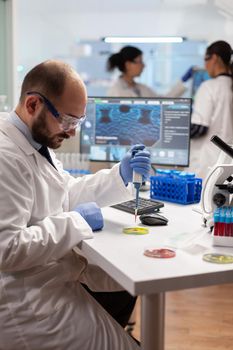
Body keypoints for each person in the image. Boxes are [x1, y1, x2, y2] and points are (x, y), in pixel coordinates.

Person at [0, 60, 151, 350]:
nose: (72, 132)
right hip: (27, 305)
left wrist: (119, 174)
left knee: (122, 287)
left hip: (50, 281)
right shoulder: (6, 156)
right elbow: (7, 249)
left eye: (78, 123)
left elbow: (64, 192)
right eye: (68, 121)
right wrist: (75, 221)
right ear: (33, 104)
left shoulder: (33, 141)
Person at [188, 40, 233, 179]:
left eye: (205, 60)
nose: (205, 66)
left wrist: (174, 134)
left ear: (214, 58)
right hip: (228, 161)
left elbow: (199, 128)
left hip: (207, 163)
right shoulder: (230, 86)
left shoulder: (209, 86)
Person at [107, 45, 192, 98]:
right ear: (128, 64)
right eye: (140, 62)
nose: (144, 65)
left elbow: (164, 101)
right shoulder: (116, 91)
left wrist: (183, 80)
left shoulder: (142, 88)